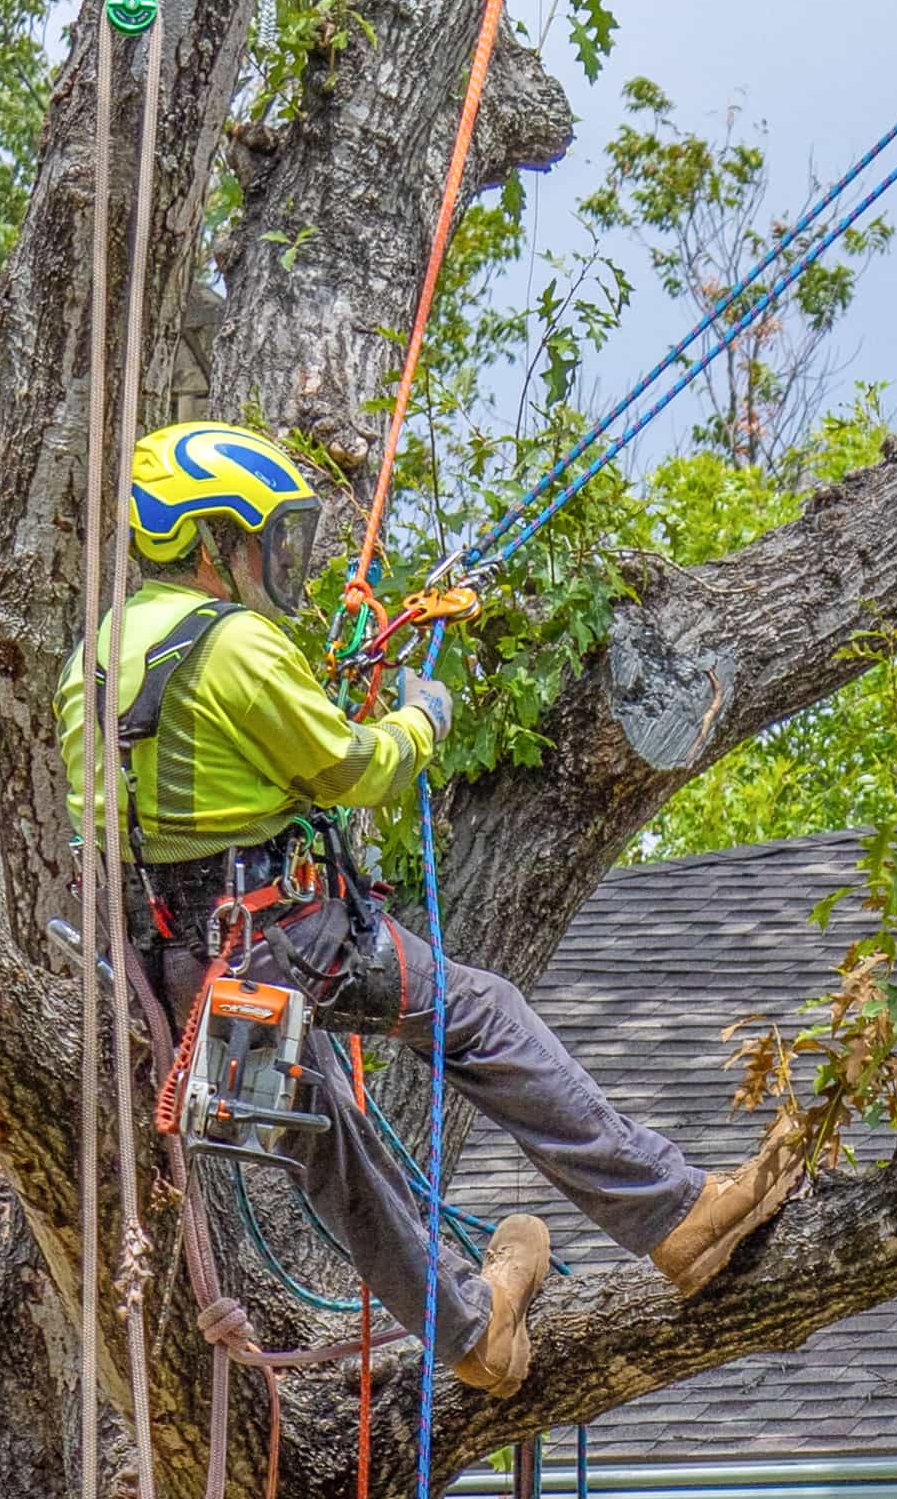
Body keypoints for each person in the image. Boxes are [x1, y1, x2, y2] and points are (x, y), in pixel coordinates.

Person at [56, 419, 803, 1391]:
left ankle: (469, 1329)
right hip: (283, 940)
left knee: (333, 1148)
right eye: (263, 539)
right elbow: (347, 767)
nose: (276, 562)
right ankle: (676, 1216)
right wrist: (422, 717)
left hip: (172, 975)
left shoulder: (97, 657)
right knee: (479, 1011)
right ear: (208, 540)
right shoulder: (236, 643)